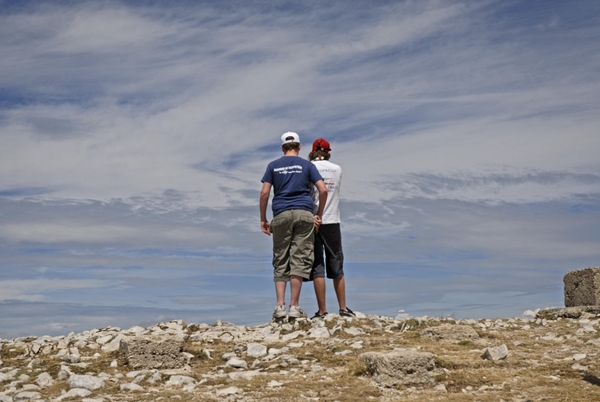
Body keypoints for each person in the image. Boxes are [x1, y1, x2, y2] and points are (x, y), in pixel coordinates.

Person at [260, 132, 328, 321]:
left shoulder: (273, 166)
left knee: (281, 257)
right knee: (300, 257)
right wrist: (319, 214)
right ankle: (294, 306)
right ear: (299, 147)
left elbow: (264, 194)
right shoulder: (307, 165)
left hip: (281, 213)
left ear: (282, 148)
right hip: (304, 213)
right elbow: (323, 189)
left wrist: (263, 219)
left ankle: (279, 306)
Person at [308, 138, 355, 319]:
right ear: (328, 152)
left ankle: (322, 311)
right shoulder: (337, 169)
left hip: (313, 220)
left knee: (317, 266)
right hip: (332, 220)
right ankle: (343, 308)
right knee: (336, 264)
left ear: (312, 151)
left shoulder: (308, 168)